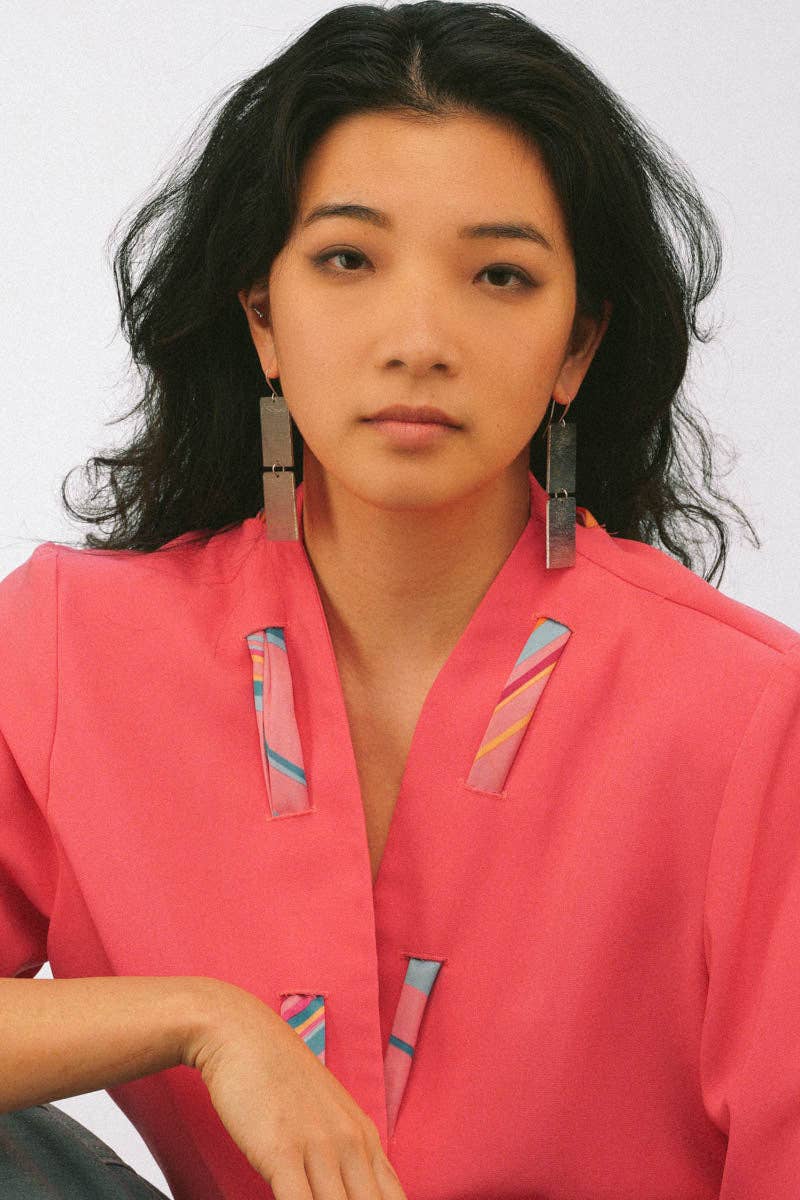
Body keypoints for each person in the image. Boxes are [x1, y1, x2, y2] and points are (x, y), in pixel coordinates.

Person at [1, 1, 798, 1198]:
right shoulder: (72, 647)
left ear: (574, 347)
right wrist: (206, 1021)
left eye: (498, 275)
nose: (418, 338)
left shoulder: (747, 715)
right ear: (262, 317)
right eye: (347, 260)